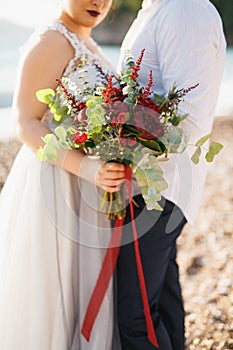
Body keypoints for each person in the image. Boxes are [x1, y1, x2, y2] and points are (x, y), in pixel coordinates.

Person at [0, 0, 125, 349]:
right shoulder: (52, 40)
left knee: (84, 293)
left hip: (92, 186)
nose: (99, 2)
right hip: (57, 182)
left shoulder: (90, 44)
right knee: (53, 297)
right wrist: (87, 167)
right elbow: (25, 124)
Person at [114, 0, 226, 349]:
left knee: (137, 317)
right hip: (150, 184)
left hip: (155, 186)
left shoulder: (184, 8)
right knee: (160, 302)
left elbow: (187, 118)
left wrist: (118, 126)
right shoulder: (158, 8)